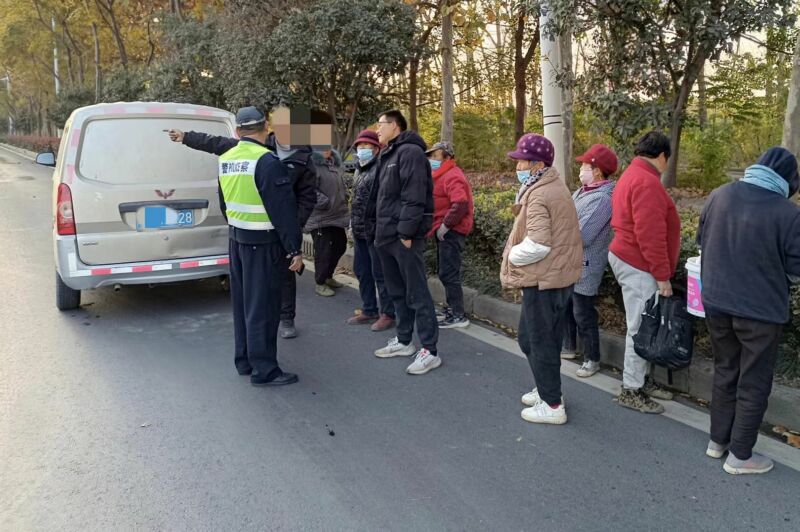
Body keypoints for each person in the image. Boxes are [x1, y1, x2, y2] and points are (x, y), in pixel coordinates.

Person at [167, 111, 316, 340]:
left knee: (286, 273)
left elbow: (307, 195)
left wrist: (294, 224)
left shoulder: (304, 155)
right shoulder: (260, 145)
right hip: (258, 226)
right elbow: (217, 143)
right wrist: (187, 137)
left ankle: (286, 317)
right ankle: (258, 329)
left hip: (286, 222)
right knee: (255, 281)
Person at [697, 147, 800, 475]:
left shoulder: (719, 195)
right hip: (760, 312)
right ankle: (741, 456)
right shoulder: (789, 214)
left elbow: (701, 241)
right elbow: (796, 269)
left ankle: (717, 441)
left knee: (726, 369)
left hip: (716, 302)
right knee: (754, 381)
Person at [215, 106, 303, 386]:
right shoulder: (267, 161)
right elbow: (283, 211)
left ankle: (244, 361)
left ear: (238, 131)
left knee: (243, 305)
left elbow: (224, 203)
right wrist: (294, 249)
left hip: (237, 240)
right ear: (266, 128)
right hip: (263, 245)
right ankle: (265, 370)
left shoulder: (226, 159)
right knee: (263, 307)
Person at [501, 133, 583, 425]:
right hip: (556, 277)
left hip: (544, 279)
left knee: (539, 341)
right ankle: (547, 388)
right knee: (532, 339)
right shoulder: (551, 186)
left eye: (522, 161)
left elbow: (538, 244)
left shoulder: (539, 194)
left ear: (537, 164)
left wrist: (511, 257)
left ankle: (552, 404)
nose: (517, 167)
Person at [608, 131, 680, 414]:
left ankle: (641, 379)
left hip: (630, 258)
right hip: (638, 263)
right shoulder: (647, 182)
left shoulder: (632, 174)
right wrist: (662, 276)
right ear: (662, 156)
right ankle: (631, 389)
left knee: (643, 324)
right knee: (641, 327)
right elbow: (650, 235)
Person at [371, 110, 441, 375]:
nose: (377, 129)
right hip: (385, 235)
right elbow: (383, 197)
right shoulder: (388, 154)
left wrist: (406, 233)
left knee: (416, 293)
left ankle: (430, 351)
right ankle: (403, 340)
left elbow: (415, 196)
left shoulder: (410, 152)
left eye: (381, 124)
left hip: (402, 237)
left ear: (395, 126)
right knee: (397, 291)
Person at [560, 144, 617, 378]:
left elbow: (582, 235)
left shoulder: (603, 199)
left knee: (582, 312)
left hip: (586, 264)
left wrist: (560, 229)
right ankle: (569, 346)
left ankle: (592, 358)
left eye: (584, 166)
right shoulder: (583, 191)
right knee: (566, 306)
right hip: (569, 260)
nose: (581, 169)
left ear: (597, 171)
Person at [346, 129, 396, 331]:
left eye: (367, 145)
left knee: (380, 274)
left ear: (376, 148)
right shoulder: (359, 168)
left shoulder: (381, 168)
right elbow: (356, 200)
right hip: (360, 230)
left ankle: (388, 313)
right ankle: (369, 309)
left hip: (376, 231)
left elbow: (385, 200)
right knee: (362, 271)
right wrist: (352, 225)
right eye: (360, 145)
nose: (362, 149)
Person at [426, 140, 474, 329]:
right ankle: (452, 308)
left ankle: (458, 315)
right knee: (445, 272)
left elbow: (460, 203)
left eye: (435, 156)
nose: (431, 159)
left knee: (449, 273)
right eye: (430, 156)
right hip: (444, 230)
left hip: (452, 231)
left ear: (447, 157)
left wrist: (446, 225)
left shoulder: (452, 175)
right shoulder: (441, 174)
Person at [305, 148, 350, 297]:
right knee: (323, 250)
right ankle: (320, 282)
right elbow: (308, 190)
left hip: (336, 215)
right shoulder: (312, 165)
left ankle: (328, 276)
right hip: (320, 217)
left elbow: (340, 186)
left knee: (340, 245)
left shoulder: (334, 165)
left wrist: (345, 196)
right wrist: (326, 202)